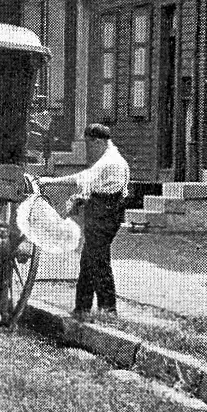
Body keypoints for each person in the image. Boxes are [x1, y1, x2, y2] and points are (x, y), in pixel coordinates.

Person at [41, 121, 131, 319]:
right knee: (90, 260)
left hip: (104, 214)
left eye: (90, 143)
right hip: (104, 211)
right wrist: (81, 199)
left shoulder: (111, 161)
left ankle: (108, 309)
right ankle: (84, 307)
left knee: (98, 260)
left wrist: (52, 181)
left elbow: (84, 178)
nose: (89, 148)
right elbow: (92, 185)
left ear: (99, 142)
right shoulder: (110, 158)